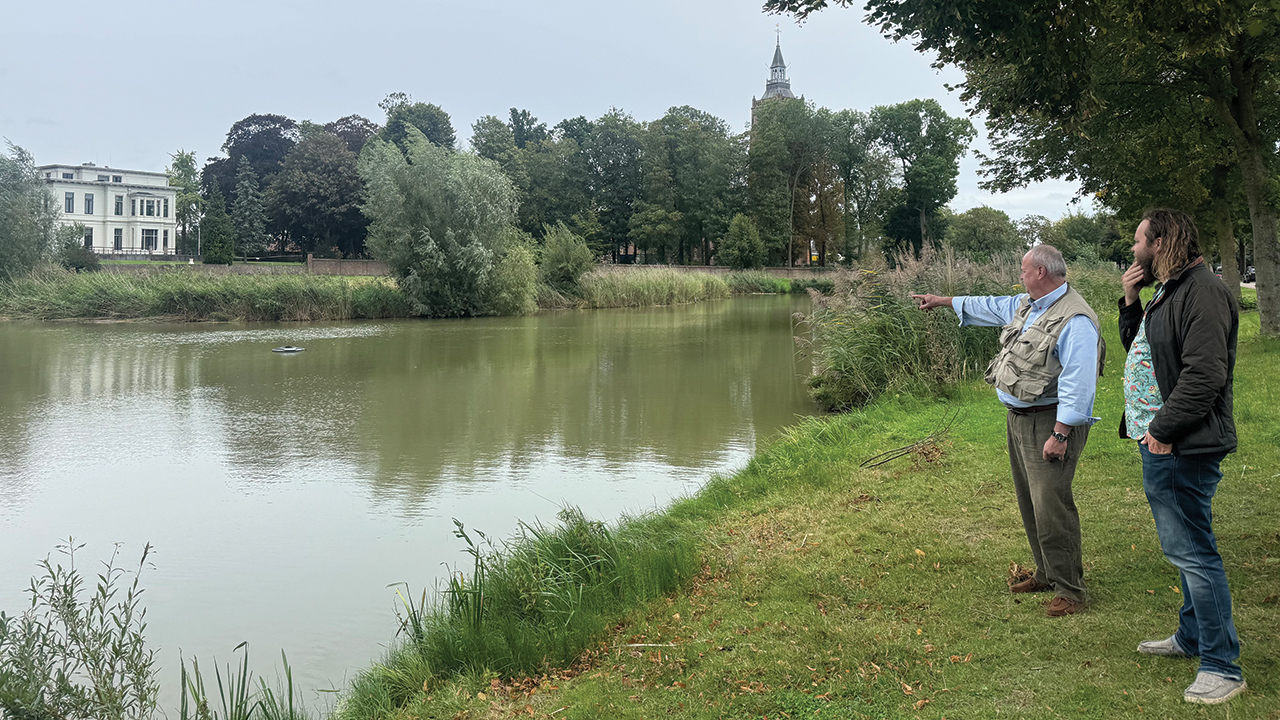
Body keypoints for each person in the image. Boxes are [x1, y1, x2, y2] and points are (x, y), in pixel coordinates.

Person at [912, 245, 1104, 617]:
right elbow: (989, 305)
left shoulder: (1075, 320)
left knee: (1052, 506)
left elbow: (1079, 384)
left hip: (1050, 423)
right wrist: (943, 301)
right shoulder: (1029, 305)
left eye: (1024, 270)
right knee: (1031, 502)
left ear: (1042, 273)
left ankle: (1071, 591)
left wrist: (1061, 433)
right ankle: (1046, 573)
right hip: (1020, 419)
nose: (1020, 275)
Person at [1120, 208, 1245, 704]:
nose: (1133, 250)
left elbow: (1204, 376)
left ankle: (1222, 666)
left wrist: (1162, 431)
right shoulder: (1171, 290)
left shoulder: (1204, 293)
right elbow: (1143, 352)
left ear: (1162, 242)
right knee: (1185, 549)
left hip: (1182, 443)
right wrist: (1131, 301)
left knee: (1194, 553)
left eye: (1138, 242)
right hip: (1162, 441)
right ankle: (1192, 638)